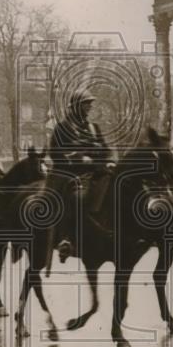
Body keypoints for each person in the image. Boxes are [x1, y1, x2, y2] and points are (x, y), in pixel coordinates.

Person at [48, 89, 114, 237]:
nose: (90, 107)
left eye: (90, 103)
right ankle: (69, 237)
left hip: (97, 172)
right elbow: (55, 153)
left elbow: (105, 149)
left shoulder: (93, 128)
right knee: (79, 197)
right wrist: (80, 158)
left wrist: (109, 161)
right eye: (86, 104)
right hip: (73, 174)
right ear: (77, 106)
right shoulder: (62, 128)